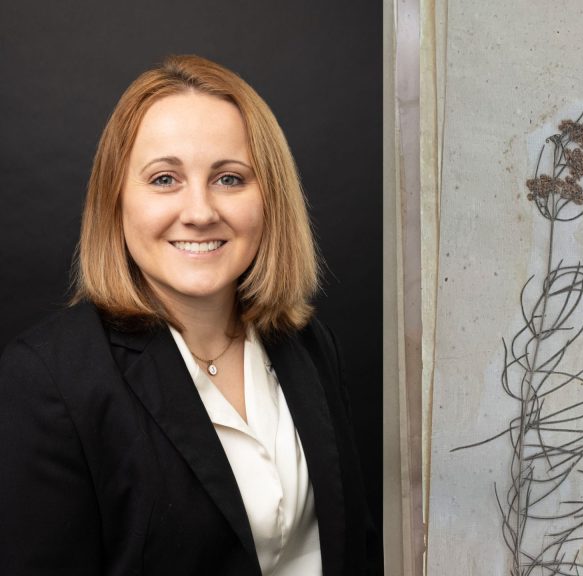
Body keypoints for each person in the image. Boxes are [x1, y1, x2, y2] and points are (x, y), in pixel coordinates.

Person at [0, 55, 382, 575]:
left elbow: (354, 549)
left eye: (229, 178)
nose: (200, 212)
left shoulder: (309, 345)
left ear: (270, 198)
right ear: (116, 201)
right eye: (164, 179)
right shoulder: (46, 380)